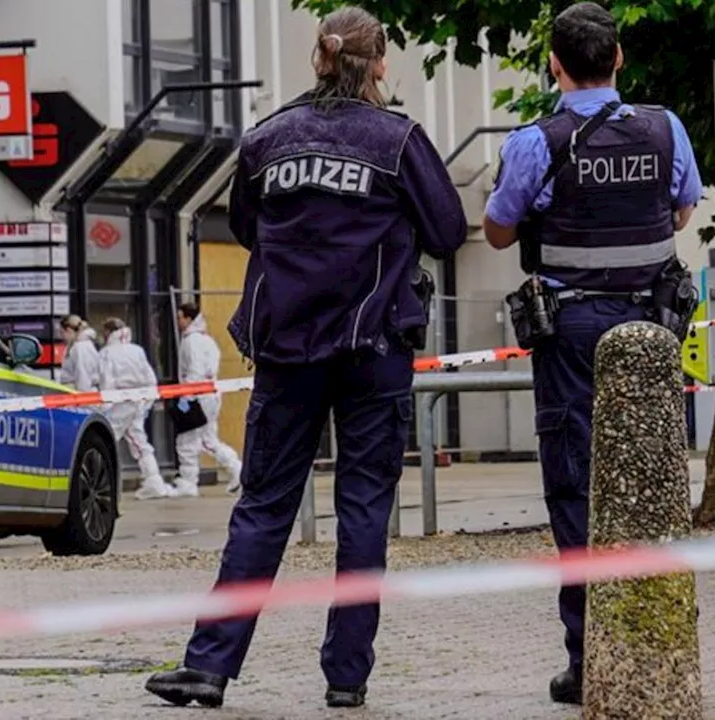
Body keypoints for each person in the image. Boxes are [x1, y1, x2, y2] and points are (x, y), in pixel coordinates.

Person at [144, 5, 466, 710]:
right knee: (363, 508)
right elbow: (448, 229)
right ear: (378, 63)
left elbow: (248, 225)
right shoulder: (399, 139)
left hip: (287, 350)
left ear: (318, 59)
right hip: (373, 347)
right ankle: (346, 677)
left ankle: (209, 667)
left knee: (262, 506)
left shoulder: (267, 137)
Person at [481, 2, 703, 706]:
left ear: (554, 64)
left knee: (576, 486)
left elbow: (495, 231)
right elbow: (682, 209)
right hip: (653, 327)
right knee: (654, 478)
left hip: (573, 333)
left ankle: (590, 659)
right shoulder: (665, 128)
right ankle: (661, 641)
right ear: (619, 58)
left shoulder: (535, 141)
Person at [98, 317, 176, 500]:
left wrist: (103, 405)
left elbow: (106, 381)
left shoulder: (107, 353)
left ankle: (103, 481)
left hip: (119, 401)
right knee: (139, 442)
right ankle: (154, 481)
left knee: (105, 439)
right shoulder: (137, 350)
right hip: (138, 399)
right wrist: (147, 401)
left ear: (109, 333)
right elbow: (149, 377)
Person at [174, 303, 243, 496]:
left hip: (198, 394)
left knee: (189, 440)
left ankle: (188, 482)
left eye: (180, 317)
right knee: (208, 438)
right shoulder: (207, 340)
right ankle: (236, 468)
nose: (178, 321)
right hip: (210, 393)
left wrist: (186, 396)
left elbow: (194, 370)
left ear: (188, 318)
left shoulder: (191, 341)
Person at [58, 314, 100, 392]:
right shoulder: (78, 345)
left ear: (68, 330)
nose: (62, 336)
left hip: (83, 396)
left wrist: (82, 399)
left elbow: (83, 375)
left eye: (62, 332)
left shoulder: (81, 347)